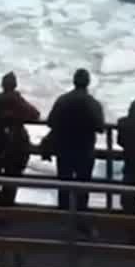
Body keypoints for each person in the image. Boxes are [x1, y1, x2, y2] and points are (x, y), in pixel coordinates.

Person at [45, 68, 105, 212]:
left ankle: (63, 217)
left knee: (64, 185)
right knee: (83, 188)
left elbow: (51, 122)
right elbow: (100, 127)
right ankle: (80, 217)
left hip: (64, 149)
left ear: (74, 81)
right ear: (88, 82)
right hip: (85, 151)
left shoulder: (62, 100)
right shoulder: (93, 104)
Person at [0, 72, 39, 207]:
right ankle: (7, 207)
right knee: (12, 177)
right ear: (15, 85)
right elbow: (35, 114)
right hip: (14, 145)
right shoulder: (17, 100)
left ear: (2, 85)